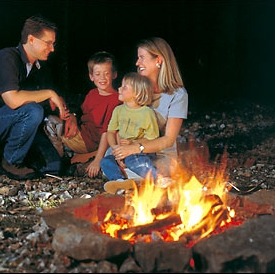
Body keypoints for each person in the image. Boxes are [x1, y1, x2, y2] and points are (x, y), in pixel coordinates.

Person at [103, 37, 188, 193]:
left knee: (153, 168)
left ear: (159, 60)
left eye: (141, 58)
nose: (137, 63)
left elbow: (168, 140)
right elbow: (122, 122)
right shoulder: (136, 89)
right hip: (130, 149)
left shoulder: (177, 95)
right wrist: (121, 148)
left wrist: (136, 148)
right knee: (109, 161)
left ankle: (137, 179)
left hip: (158, 153)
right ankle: (127, 179)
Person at [0, 14, 68, 180]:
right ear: (31, 39)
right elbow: (12, 100)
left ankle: (16, 155)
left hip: (15, 125)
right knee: (32, 111)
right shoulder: (8, 57)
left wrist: (68, 115)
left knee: (54, 166)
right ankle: (10, 161)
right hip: (5, 119)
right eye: (48, 43)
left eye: (53, 43)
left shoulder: (40, 67)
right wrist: (49, 94)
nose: (52, 48)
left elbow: (55, 100)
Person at [44, 51, 120, 178]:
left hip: (88, 142)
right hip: (81, 132)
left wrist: (97, 160)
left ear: (114, 75)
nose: (102, 78)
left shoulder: (115, 100)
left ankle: (57, 163)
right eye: (98, 74)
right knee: (54, 117)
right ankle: (65, 154)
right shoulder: (92, 94)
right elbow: (81, 113)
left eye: (106, 73)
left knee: (49, 121)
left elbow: (107, 132)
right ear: (91, 76)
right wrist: (72, 117)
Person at [100, 72, 159, 192]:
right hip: (120, 148)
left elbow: (153, 138)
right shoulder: (118, 110)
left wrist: (132, 145)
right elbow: (111, 131)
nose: (119, 88)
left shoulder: (146, 113)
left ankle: (158, 179)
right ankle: (120, 182)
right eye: (121, 86)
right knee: (105, 161)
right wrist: (116, 149)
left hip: (138, 152)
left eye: (124, 87)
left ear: (137, 93)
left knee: (133, 161)